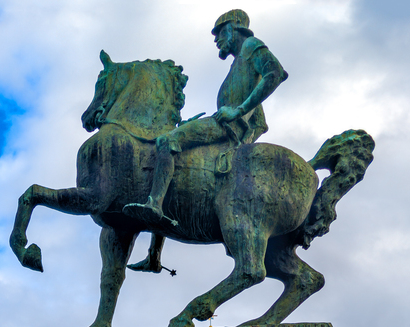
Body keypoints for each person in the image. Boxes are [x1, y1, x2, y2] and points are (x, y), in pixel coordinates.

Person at [123, 9, 288, 231]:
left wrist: (237, 111)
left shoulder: (251, 46)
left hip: (224, 126)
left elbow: (275, 73)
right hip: (226, 126)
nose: (217, 40)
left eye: (220, 33)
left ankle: (154, 204)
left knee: (166, 141)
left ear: (233, 29)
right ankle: (154, 254)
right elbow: (260, 123)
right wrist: (245, 138)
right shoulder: (240, 61)